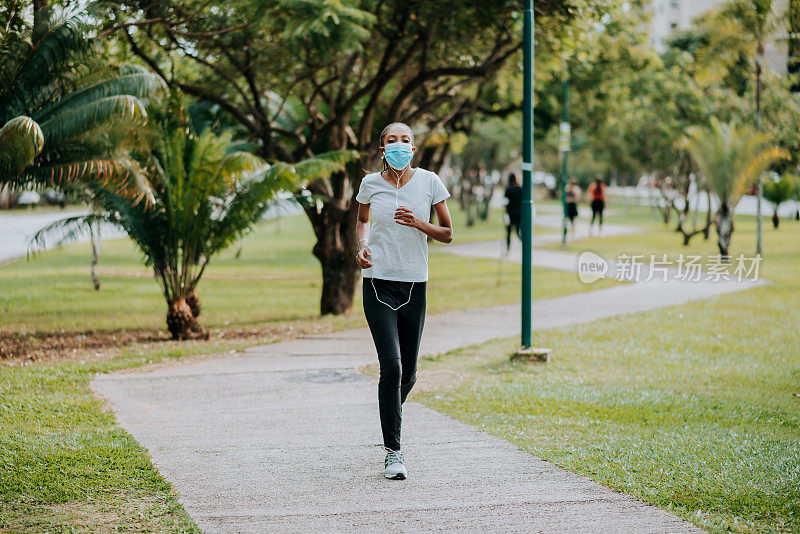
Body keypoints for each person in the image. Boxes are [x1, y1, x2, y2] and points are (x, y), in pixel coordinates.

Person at [354, 122, 453, 480]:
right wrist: (362, 247)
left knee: (408, 373)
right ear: (382, 150)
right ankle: (393, 452)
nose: (398, 146)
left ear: (413, 148)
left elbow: (448, 233)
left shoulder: (430, 182)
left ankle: (390, 414)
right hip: (377, 281)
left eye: (405, 141)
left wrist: (419, 224)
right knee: (392, 368)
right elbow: (361, 221)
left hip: (414, 284)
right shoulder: (370, 185)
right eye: (391, 141)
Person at [503, 173, 522, 253]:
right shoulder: (520, 189)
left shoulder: (508, 189)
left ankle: (508, 249)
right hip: (519, 214)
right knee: (518, 231)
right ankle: (524, 243)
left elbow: (505, 202)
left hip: (510, 213)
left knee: (508, 232)